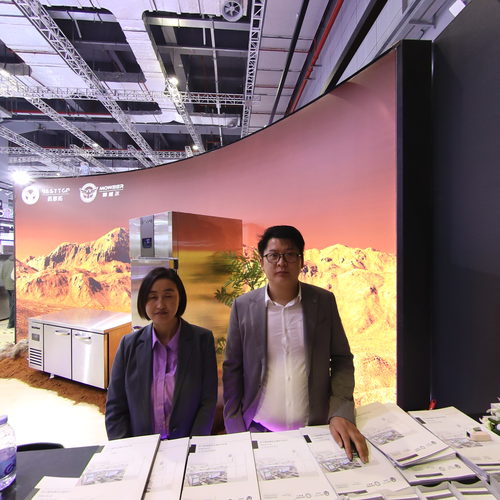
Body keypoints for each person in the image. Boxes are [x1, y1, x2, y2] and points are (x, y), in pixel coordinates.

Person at [223, 225, 368, 462]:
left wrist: (340, 412)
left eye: (290, 254)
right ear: (262, 261)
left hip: (317, 430)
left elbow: (341, 360)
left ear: (301, 261)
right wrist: (234, 425)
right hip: (258, 431)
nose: (282, 262)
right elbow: (233, 369)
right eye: (273, 255)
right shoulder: (243, 307)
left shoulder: (323, 301)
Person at [106, 267, 218, 440]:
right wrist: (125, 448)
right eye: (152, 297)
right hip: (141, 447)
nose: (160, 304)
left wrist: (194, 445)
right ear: (143, 302)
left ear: (180, 298)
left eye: (168, 296)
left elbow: (207, 402)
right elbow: (115, 406)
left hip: (186, 445)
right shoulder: (128, 345)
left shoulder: (201, 341)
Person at [0, 255, 15, 328]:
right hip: (13, 286)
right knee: (14, 305)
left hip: (7, 286)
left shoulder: (5, 262)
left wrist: (6, 283)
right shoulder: (15, 263)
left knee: (11, 304)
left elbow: (2, 275)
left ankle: (12, 321)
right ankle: (11, 323)